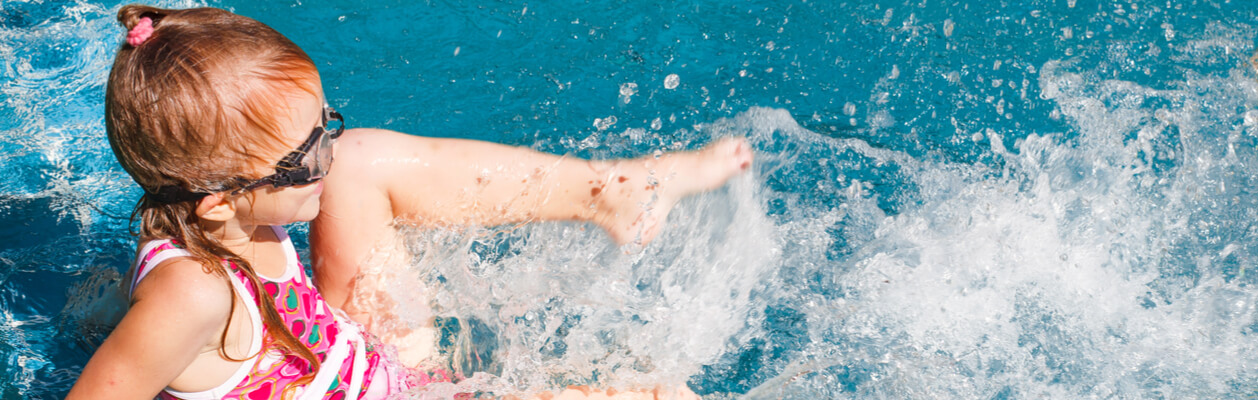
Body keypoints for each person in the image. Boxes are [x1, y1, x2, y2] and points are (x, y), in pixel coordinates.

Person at [68, 5, 749, 399]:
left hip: (364, 366)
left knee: (365, 160)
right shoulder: (192, 292)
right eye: (302, 158)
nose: (323, 155)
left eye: (322, 125)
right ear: (216, 202)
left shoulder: (231, 215)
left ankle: (610, 192)